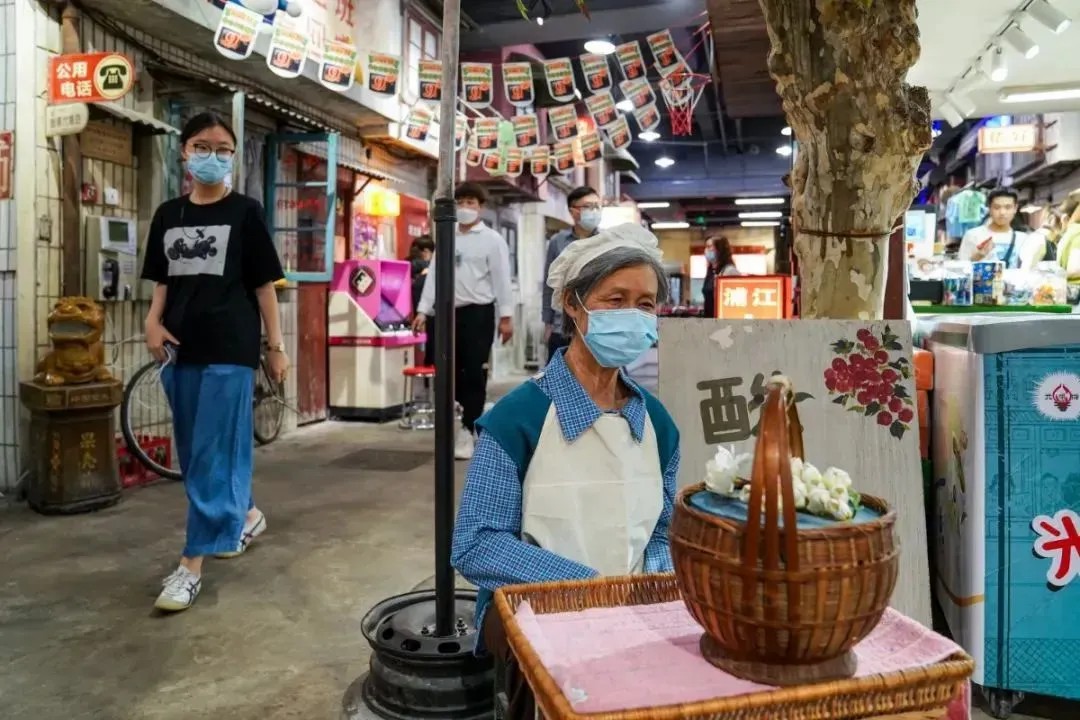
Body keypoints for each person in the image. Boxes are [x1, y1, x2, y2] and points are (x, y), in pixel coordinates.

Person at [451, 223, 679, 720]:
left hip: (629, 607)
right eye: (615, 299)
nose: (633, 315)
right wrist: (586, 588)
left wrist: (655, 588)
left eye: (645, 304)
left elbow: (662, 532)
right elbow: (476, 543)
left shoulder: (658, 425)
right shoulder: (520, 418)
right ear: (573, 305)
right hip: (537, 608)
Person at [140, 112, 287, 613]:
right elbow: (163, 279)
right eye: (202, 146)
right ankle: (245, 514)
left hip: (230, 348)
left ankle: (190, 566)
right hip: (179, 348)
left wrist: (275, 346)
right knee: (195, 452)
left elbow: (264, 286)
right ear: (184, 152)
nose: (213, 156)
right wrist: (152, 321)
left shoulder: (245, 212)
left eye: (224, 149)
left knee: (211, 455)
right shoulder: (169, 214)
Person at [412, 183, 514, 461]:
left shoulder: (492, 240)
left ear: (481, 207)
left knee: (474, 372)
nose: (466, 207)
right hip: (447, 314)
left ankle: (469, 428)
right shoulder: (447, 236)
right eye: (461, 202)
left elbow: (502, 279)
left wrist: (506, 316)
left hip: (478, 314)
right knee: (448, 372)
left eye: (471, 202)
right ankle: (472, 411)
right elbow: (434, 275)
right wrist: (423, 310)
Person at [542, 186, 602, 360]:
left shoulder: (607, 241)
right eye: (588, 206)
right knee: (558, 374)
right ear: (573, 211)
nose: (594, 211)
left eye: (597, 206)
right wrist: (547, 322)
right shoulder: (558, 242)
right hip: (562, 326)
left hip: (598, 326)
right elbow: (549, 284)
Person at [958, 188, 1027, 268]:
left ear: (1015, 209)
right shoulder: (973, 235)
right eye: (997, 207)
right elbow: (961, 268)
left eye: (1008, 207)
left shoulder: (1023, 239)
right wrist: (978, 256)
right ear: (989, 208)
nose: (1002, 212)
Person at [408, 235, 435, 366]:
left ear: (426, 252)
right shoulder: (430, 271)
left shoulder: (424, 273)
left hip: (424, 320)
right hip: (428, 321)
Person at [701, 235, 740, 318]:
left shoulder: (730, 271)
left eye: (709, 247)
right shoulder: (711, 272)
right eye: (705, 247)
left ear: (720, 250)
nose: (706, 250)